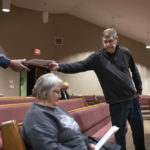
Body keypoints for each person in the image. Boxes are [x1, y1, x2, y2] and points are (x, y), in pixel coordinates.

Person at [48, 28, 146, 150]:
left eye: (110, 41)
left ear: (117, 39)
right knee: (119, 134)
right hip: (116, 103)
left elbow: (134, 71)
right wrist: (60, 67)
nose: (108, 44)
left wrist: (139, 90)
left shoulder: (125, 52)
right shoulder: (97, 57)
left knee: (139, 131)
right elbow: (80, 65)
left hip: (132, 99)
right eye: (105, 42)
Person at [21, 73, 121, 150]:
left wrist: (88, 144)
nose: (60, 96)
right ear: (44, 92)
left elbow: (75, 132)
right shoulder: (37, 117)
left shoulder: (56, 109)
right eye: (57, 92)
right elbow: (49, 148)